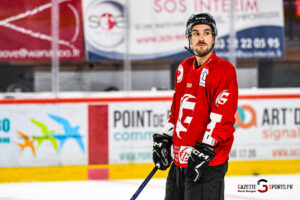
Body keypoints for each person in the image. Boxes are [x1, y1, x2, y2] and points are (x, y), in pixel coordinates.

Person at [152, 13, 238, 200]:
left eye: (207, 33)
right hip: (180, 160)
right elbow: (177, 109)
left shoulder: (223, 70)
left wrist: (206, 147)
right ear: (189, 38)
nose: (201, 37)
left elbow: (223, 117)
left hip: (205, 162)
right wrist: (167, 137)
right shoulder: (183, 67)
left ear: (214, 37)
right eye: (196, 33)